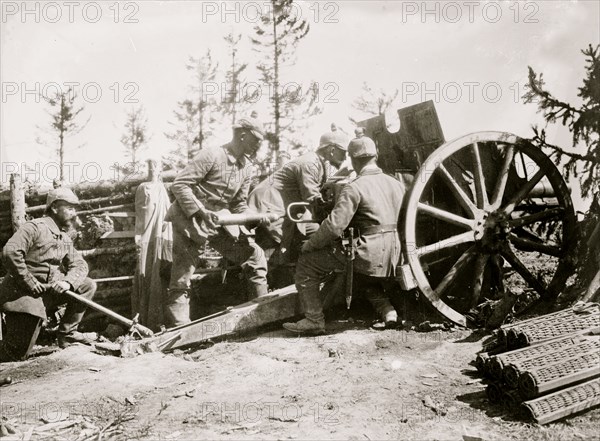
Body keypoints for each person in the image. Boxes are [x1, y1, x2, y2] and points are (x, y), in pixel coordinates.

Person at [283, 133, 407, 334]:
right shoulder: (397, 184)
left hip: (366, 253)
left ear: (354, 160)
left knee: (307, 264)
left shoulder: (354, 187)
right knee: (364, 277)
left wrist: (310, 244)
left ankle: (314, 320)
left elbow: (333, 227)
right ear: (375, 156)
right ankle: (388, 312)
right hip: (394, 253)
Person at [164, 113, 271, 327]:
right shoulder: (211, 155)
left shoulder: (246, 167)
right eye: (256, 139)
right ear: (242, 135)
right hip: (189, 219)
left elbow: (238, 204)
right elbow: (180, 185)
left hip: (218, 221)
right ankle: (179, 329)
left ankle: (263, 314)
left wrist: (255, 218)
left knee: (254, 257)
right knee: (183, 274)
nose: (258, 145)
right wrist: (200, 211)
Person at [0, 188, 97, 362]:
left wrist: (67, 282)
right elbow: (10, 252)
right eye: (69, 208)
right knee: (17, 354)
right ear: (54, 208)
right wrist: (29, 281)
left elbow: (80, 264)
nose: (74, 213)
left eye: (75, 209)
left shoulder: (63, 237)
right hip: (23, 295)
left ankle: (67, 334)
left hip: (46, 293)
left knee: (87, 285)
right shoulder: (34, 228)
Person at [247, 128, 349, 268]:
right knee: (274, 248)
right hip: (269, 203)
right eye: (343, 152)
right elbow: (313, 198)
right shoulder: (309, 163)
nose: (345, 157)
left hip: (287, 207)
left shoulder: (318, 162)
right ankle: (269, 280)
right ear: (331, 150)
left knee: (312, 232)